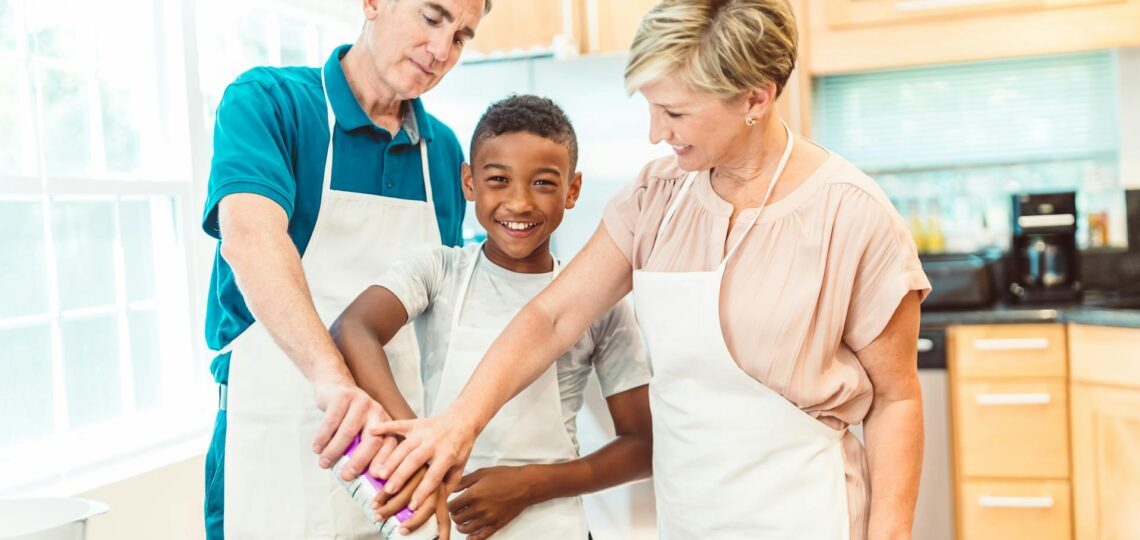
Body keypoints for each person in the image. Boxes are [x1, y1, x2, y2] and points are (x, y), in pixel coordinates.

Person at [368, 1, 933, 539]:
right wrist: (459, 422)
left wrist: (891, 533)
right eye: (650, 106)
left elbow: (896, 400)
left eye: (676, 112)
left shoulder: (851, 215)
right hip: (688, 515)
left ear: (756, 99)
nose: (655, 133)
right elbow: (554, 315)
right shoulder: (657, 195)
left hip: (806, 515)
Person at [200, 0, 492, 537]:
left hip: (395, 465)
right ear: (373, 3)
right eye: (432, 18)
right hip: (279, 441)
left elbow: (437, 311)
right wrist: (332, 380)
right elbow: (251, 238)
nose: (441, 52)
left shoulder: (443, 153)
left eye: (461, 37)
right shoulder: (271, 104)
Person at [330, 95, 653, 540]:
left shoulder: (596, 299)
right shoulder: (439, 270)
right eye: (498, 179)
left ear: (573, 190)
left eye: (543, 183)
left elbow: (643, 446)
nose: (519, 203)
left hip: (553, 525)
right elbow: (353, 328)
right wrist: (422, 446)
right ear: (468, 182)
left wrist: (528, 487)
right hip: (443, 517)